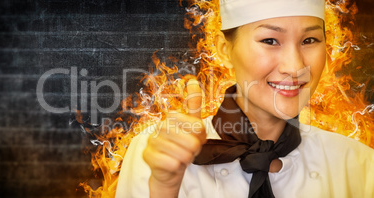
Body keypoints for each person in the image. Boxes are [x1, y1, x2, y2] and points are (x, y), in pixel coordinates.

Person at [115, 0, 374, 197]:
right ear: (225, 50)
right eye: (270, 40)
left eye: (309, 40)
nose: (295, 67)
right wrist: (164, 187)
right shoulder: (153, 154)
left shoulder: (360, 166)